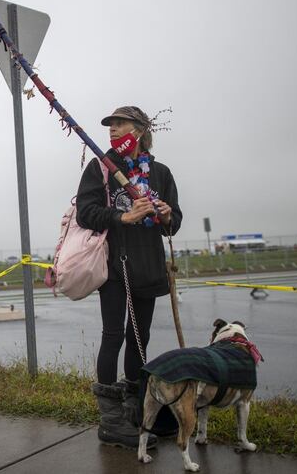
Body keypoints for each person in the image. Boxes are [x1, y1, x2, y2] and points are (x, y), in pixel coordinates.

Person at [76, 106, 182, 448]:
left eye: (120, 124)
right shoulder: (101, 168)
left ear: (139, 130)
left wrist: (166, 214)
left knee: (141, 339)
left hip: (149, 265)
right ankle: (110, 419)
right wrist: (123, 216)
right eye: (110, 125)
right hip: (113, 266)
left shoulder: (160, 173)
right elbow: (85, 213)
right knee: (113, 336)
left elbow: (175, 222)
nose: (112, 130)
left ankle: (137, 411)